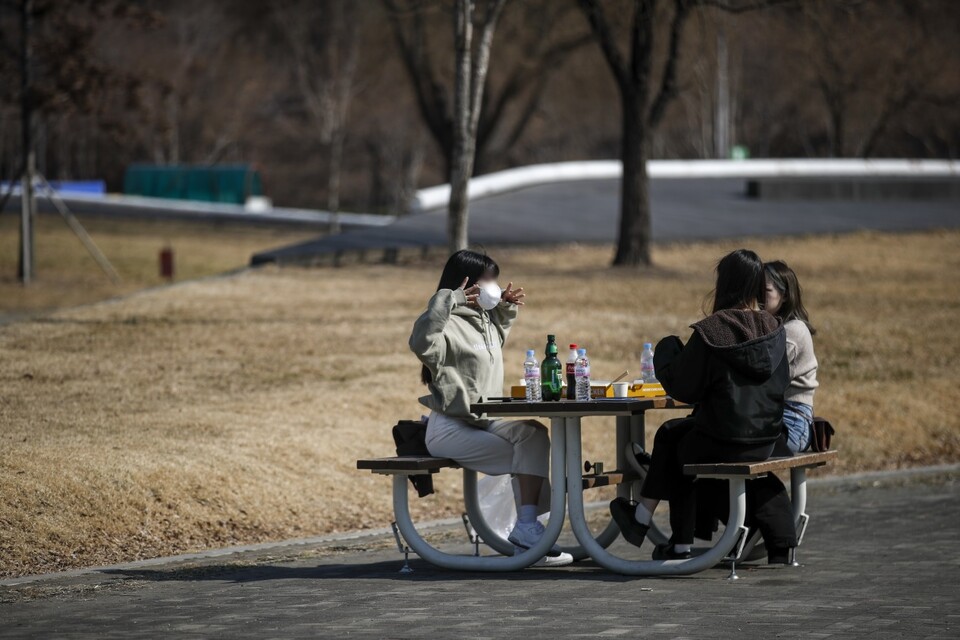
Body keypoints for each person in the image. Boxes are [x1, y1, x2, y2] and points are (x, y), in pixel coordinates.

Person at [611, 249, 797, 562]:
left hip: (725, 439)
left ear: (724, 284)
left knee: (672, 441)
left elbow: (684, 388)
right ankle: (657, 530)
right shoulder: (775, 329)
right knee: (676, 436)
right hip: (767, 439)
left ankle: (659, 531)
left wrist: (667, 349)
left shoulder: (714, 331)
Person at [409, 249, 573, 566]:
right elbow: (420, 341)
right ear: (465, 283)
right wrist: (450, 299)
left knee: (534, 435)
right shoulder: (446, 324)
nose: (493, 286)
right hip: (450, 427)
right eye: (488, 280)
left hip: (483, 420)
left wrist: (505, 307)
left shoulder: (484, 321)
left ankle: (526, 529)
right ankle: (526, 533)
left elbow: (498, 336)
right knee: (526, 458)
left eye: (495, 280)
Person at [764, 260, 819, 453]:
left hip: (793, 423)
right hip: (774, 417)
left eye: (766, 291)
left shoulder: (792, 331)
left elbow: (763, 376)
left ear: (785, 295)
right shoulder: (771, 327)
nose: (758, 297)